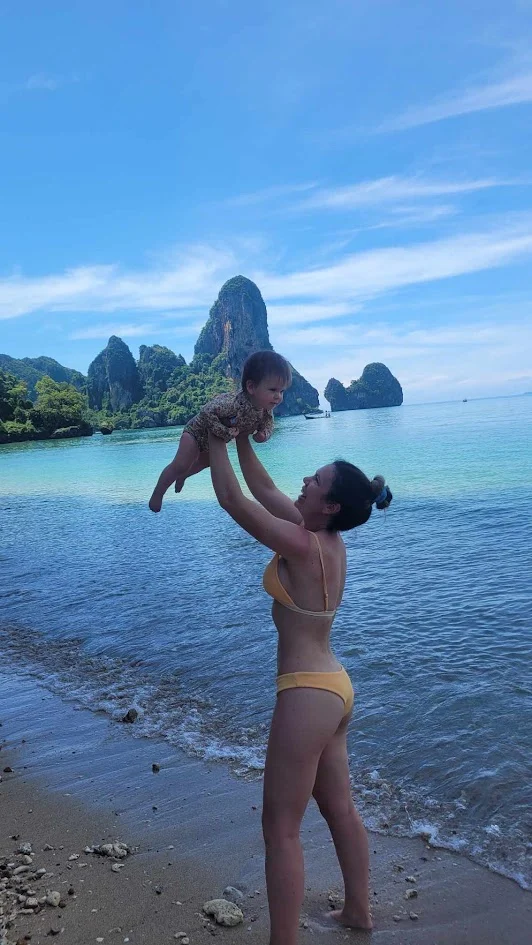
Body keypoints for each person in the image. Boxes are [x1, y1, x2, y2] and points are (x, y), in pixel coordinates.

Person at [208, 430, 392, 945]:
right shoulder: (327, 540)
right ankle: (358, 911)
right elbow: (263, 489)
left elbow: (233, 500)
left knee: (280, 827)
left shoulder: (300, 541)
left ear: (330, 504)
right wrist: (242, 437)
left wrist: (214, 433)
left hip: (307, 691)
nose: (305, 481)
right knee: (340, 809)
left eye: (316, 480)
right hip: (334, 689)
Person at [148, 350, 291, 512]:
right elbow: (206, 411)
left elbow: (268, 424)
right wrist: (223, 431)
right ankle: (158, 493)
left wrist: (264, 435)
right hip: (195, 432)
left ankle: (183, 476)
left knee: (204, 463)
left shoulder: (265, 410)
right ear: (251, 387)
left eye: (282, 391)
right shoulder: (232, 404)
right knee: (180, 464)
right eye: (273, 390)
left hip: (212, 443)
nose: (278, 397)